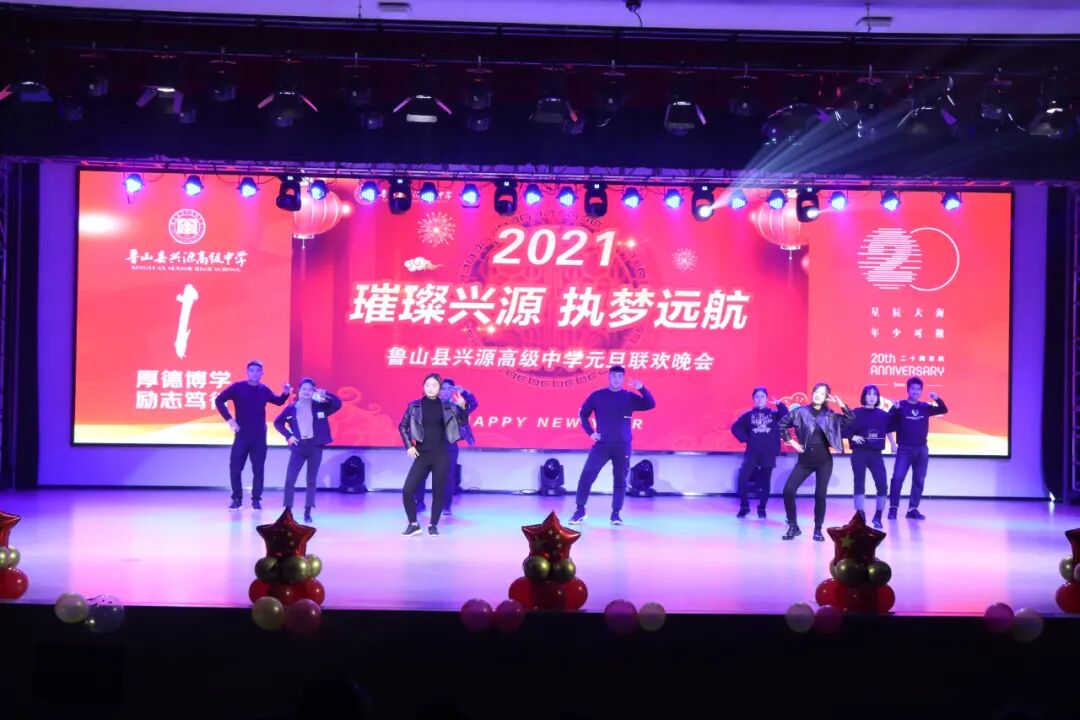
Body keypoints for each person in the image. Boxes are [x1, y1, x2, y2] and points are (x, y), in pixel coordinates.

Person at [570, 365, 657, 526]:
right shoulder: (597, 396)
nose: (616, 379)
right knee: (587, 475)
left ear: (623, 379)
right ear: (609, 377)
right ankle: (579, 511)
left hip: (622, 446)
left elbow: (651, 404)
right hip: (602, 445)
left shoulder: (629, 397)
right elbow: (583, 414)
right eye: (613, 376)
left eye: (619, 376)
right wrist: (590, 432)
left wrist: (642, 388)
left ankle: (615, 514)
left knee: (620, 480)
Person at [777, 382, 853, 541]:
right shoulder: (800, 412)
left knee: (820, 495)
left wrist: (841, 404)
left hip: (824, 461)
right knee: (788, 490)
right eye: (816, 392)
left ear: (826, 397)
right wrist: (792, 442)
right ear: (812, 393)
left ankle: (818, 529)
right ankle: (793, 526)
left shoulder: (830, 415)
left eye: (822, 393)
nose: (818, 395)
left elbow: (850, 419)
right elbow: (781, 424)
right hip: (805, 460)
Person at [398, 372, 471, 537]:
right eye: (427, 385)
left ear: (439, 389)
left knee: (438, 492)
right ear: (423, 387)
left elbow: (463, 423)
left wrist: (463, 408)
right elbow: (402, 426)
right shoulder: (414, 406)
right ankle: (413, 524)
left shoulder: (449, 407)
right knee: (408, 490)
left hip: (441, 455)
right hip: (422, 455)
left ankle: (433, 525)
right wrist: (409, 445)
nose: (430, 388)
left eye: (434, 385)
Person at [214, 360, 290, 511]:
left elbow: (278, 401)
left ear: (262, 373)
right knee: (235, 468)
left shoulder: (264, 390)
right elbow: (219, 400)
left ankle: (256, 500)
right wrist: (229, 419)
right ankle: (237, 500)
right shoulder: (238, 387)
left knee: (258, 470)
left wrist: (286, 393)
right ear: (247, 372)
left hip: (259, 436)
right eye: (252, 370)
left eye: (258, 371)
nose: (254, 373)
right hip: (241, 435)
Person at [273, 378, 342, 524]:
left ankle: (308, 511)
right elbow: (277, 422)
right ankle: (288, 511)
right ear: (299, 391)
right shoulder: (291, 408)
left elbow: (337, 403)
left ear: (313, 391)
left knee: (311, 480)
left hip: (315, 448)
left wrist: (325, 393)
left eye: (310, 389)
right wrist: (289, 436)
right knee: (290, 480)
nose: (306, 392)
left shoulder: (320, 406)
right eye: (304, 389)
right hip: (298, 448)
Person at [414, 377, 477, 516]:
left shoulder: (457, 407)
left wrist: (464, 392)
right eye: (443, 388)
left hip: (449, 446)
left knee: (448, 477)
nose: (446, 391)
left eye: (449, 389)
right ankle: (419, 503)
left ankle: (446, 506)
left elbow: (473, 404)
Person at [887, 376, 948, 520]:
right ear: (908, 390)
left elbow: (943, 409)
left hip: (921, 449)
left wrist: (937, 398)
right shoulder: (899, 405)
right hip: (904, 449)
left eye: (918, 389)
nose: (916, 392)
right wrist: (893, 444)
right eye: (913, 389)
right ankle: (893, 508)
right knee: (897, 478)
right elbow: (887, 424)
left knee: (919, 480)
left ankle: (912, 509)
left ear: (921, 391)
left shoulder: (924, 407)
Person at [730, 387, 788, 519]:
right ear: (753, 399)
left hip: (768, 453)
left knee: (765, 482)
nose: (759, 399)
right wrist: (746, 438)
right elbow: (735, 427)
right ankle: (744, 507)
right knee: (742, 479)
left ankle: (762, 508)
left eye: (762, 396)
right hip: (752, 453)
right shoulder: (748, 415)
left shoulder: (774, 414)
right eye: (757, 396)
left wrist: (780, 404)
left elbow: (786, 416)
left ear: (766, 399)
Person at [843, 384, 896, 529]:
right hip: (859, 453)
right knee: (859, 484)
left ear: (878, 397)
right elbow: (841, 427)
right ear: (864, 396)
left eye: (875, 394)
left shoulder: (883, 415)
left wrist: (893, 444)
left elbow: (889, 428)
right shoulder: (856, 413)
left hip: (876, 455)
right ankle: (860, 515)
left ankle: (878, 516)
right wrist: (852, 436)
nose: (872, 397)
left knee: (882, 485)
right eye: (869, 394)